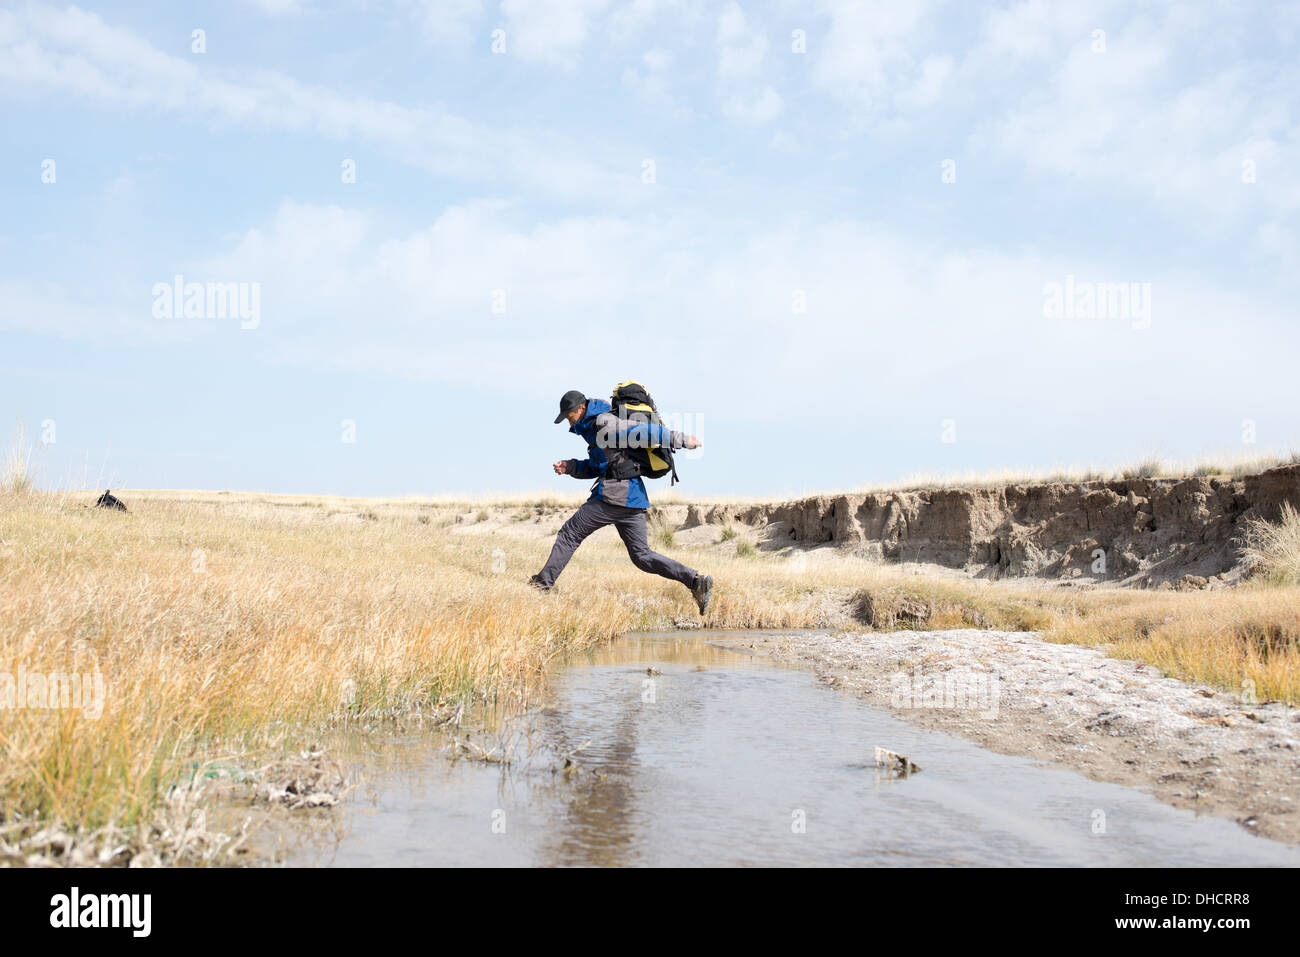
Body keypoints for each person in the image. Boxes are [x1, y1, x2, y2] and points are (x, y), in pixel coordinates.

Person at [530, 389, 714, 615]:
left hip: (613, 495)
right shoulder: (593, 428)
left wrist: (681, 440)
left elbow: (644, 432)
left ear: (581, 408)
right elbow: (601, 465)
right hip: (632, 498)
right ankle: (696, 581)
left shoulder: (604, 423)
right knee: (642, 556)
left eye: (569, 415)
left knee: (570, 533)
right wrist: (571, 467)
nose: (568, 420)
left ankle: (542, 584)